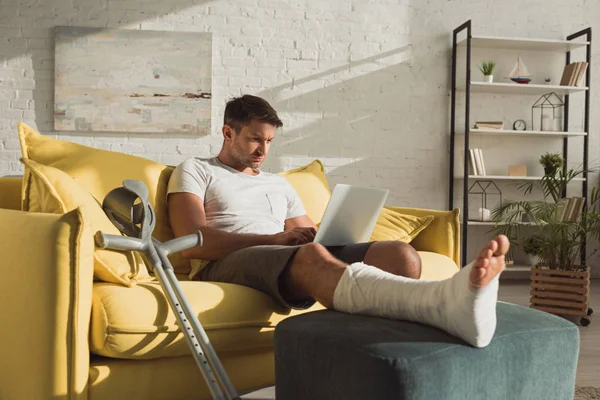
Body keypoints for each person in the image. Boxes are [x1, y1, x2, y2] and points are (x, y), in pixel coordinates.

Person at [167, 94, 509, 348]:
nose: (263, 150)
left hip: (277, 256)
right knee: (311, 257)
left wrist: (320, 232)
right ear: (228, 133)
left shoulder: (276, 182)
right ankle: (443, 303)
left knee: (399, 255)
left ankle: (385, 348)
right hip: (225, 262)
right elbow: (194, 242)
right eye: (255, 138)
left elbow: (305, 233)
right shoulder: (196, 169)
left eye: (269, 141)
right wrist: (274, 239)